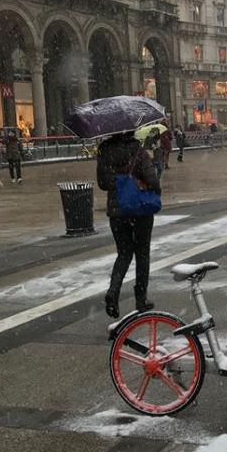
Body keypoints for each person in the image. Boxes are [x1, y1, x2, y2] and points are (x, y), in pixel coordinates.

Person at [97, 131, 161, 318]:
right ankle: (141, 298)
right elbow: (152, 180)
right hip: (140, 210)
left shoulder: (104, 151)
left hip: (118, 210)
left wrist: (119, 182)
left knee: (124, 253)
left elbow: (102, 183)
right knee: (142, 253)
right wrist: (149, 186)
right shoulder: (138, 150)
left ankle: (113, 291)